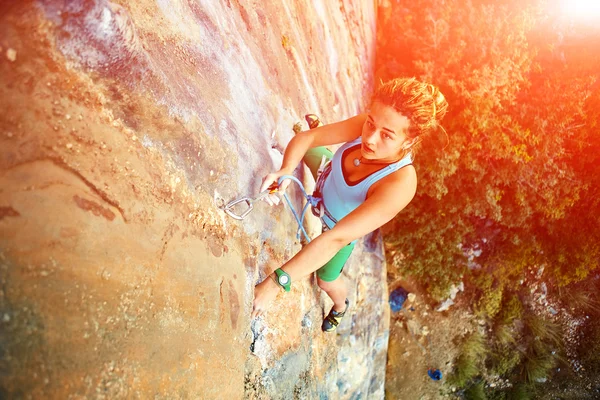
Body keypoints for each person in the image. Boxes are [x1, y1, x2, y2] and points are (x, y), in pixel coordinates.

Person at [251, 77, 448, 332]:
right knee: (304, 137)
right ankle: (324, 130)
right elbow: (308, 139)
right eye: (370, 123)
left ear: (409, 141)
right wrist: (286, 170)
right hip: (326, 177)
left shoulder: (400, 184)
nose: (371, 139)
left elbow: (336, 238)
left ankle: (340, 306)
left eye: (387, 135)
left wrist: (276, 283)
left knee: (325, 281)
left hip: (338, 230)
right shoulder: (369, 128)